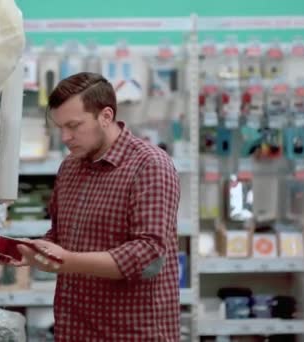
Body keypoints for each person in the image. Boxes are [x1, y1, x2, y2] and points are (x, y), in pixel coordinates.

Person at [11, 72, 181, 341]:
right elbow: (60, 236)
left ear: (106, 116)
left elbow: (148, 253)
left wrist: (66, 262)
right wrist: (33, 251)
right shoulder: (70, 167)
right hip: (74, 328)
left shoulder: (150, 165)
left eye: (74, 125)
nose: (65, 137)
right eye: (60, 128)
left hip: (131, 333)